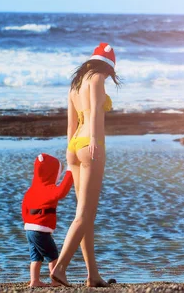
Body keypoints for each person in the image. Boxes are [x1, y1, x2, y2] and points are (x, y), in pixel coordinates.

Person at [50, 42, 121, 287]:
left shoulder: (75, 84)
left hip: (74, 147)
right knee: (84, 214)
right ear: (108, 65)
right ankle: (60, 267)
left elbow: (70, 125)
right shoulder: (98, 78)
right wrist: (94, 142)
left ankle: (92, 275)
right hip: (91, 146)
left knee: (86, 216)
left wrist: (70, 152)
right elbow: (95, 115)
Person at [22, 152, 74, 287]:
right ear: (52, 174)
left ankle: (34, 281)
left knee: (36, 257)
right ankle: (55, 281)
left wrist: (27, 222)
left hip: (29, 229)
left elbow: (24, 209)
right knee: (53, 256)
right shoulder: (49, 189)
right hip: (41, 230)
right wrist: (70, 171)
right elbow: (62, 191)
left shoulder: (31, 190)